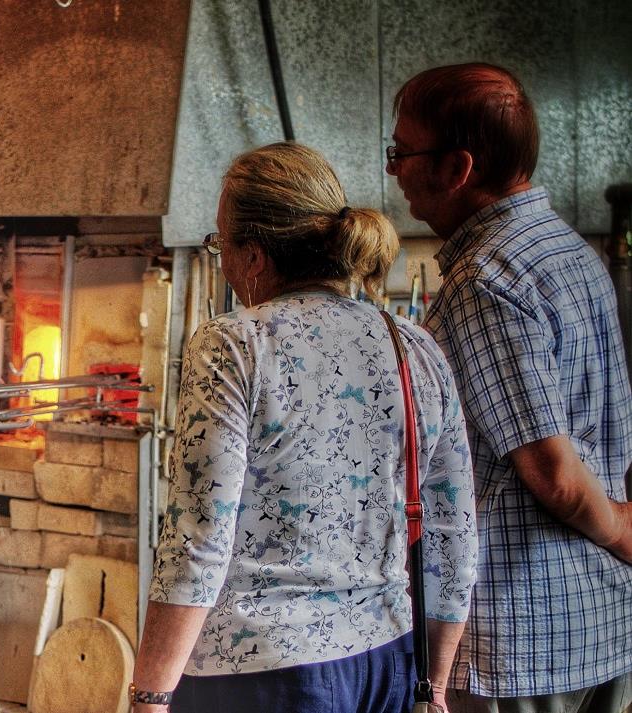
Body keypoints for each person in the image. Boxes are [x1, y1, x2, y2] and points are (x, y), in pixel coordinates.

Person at [131, 141, 479, 713]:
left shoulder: (234, 345)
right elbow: (454, 532)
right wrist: (434, 684)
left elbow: (198, 542)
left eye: (222, 244)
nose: (221, 260)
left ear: (256, 254)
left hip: (256, 674)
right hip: (384, 662)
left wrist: (149, 695)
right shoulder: (413, 346)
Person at [387, 62, 632, 713]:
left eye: (401, 153)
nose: (394, 170)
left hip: (521, 640)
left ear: (457, 167)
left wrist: (622, 534)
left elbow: (553, 471)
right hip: (595, 620)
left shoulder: (485, 281)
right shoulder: (572, 252)